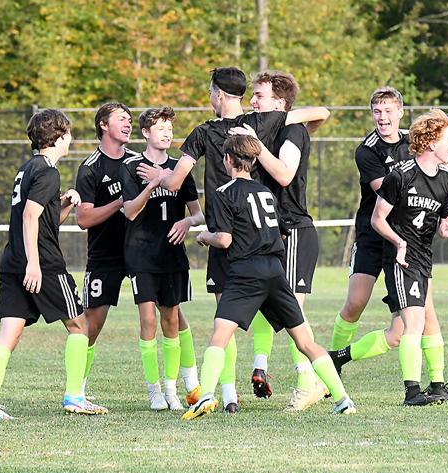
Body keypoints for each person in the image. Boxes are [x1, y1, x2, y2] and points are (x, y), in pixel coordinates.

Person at [137, 66, 329, 413]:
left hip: (224, 234)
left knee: (223, 319)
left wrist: (157, 175)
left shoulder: (203, 132)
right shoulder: (261, 123)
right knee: (284, 317)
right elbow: (320, 113)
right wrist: (286, 115)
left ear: (218, 95)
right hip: (257, 236)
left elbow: (176, 182)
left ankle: (228, 395)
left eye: (211, 92)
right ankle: (309, 384)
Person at [181, 135, 355, 420]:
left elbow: (224, 240)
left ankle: (207, 395)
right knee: (305, 341)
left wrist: (204, 236)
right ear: (252, 161)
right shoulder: (265, 192)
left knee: (220, 335)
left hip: (246, 272)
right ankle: (342, 398)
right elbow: (280, 231)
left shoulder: (224, 192)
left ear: (228, 160)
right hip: (275, 271)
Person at [0, 108, 101, 418]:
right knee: (79, 326)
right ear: (60, 137)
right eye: (69, 134)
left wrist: (63, 205)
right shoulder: (49, 171)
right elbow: (29, 216)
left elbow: (43, 219)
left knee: (9, 332)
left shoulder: (27, 168)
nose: (71, 139)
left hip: (12, 259)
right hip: (44, 263)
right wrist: (34, 264)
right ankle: (74, 397)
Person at [364, 109, 448, 406]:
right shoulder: (401, 175)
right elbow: (377, 219)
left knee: (426, 321)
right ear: (432, 142)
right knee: (413, 324)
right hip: (400, 258)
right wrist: (399, 242)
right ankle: (412, 392)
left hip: (424, 258)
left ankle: (438, 386)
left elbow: (444, 224)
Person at [240, 70, 326, 411]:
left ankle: (310, 382)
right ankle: (288, 372)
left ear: (280, 103)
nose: (253, 101)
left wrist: (257, 147)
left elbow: (285, 174)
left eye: (259, 95)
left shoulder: (291, 129)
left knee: (293, 312)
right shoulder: (259, 126)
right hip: (271, 233)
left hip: (293, 230)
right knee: (270, 307)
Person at [121, 107, 204, 410]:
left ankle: (172, 389)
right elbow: (129, 211)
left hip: (172, 256)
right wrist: (155, 182)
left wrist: (187, 222)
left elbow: (197, 213)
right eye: (161, 128)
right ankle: (153, 390)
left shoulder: (181, 168)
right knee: (147, 319)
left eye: (170, 128)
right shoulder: (133, 167)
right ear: (145, 133)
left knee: (171, 319)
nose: (167, 133)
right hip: (140, 254)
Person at [329, 88, 411, 367]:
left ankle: (335, 359)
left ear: (400, 111)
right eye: (377, 111)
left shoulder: (414, 142)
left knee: (406, 323)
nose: (383, 117)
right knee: (355, 304)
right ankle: (332, 365)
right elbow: (387, 192)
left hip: (404, 238)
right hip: (372, 234)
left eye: (388, 111)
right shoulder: (367, 150)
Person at [72, 103, 140, 406]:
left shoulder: (138, 161)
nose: (128, 123)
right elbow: (84, 218)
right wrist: (119, 203)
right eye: (121, 119)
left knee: (171, 314)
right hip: (105, 254)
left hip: (141, 253)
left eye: (130, 119)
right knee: (92, 323)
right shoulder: (90, 167)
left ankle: (176, 389)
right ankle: (77, 389)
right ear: (103, 125)